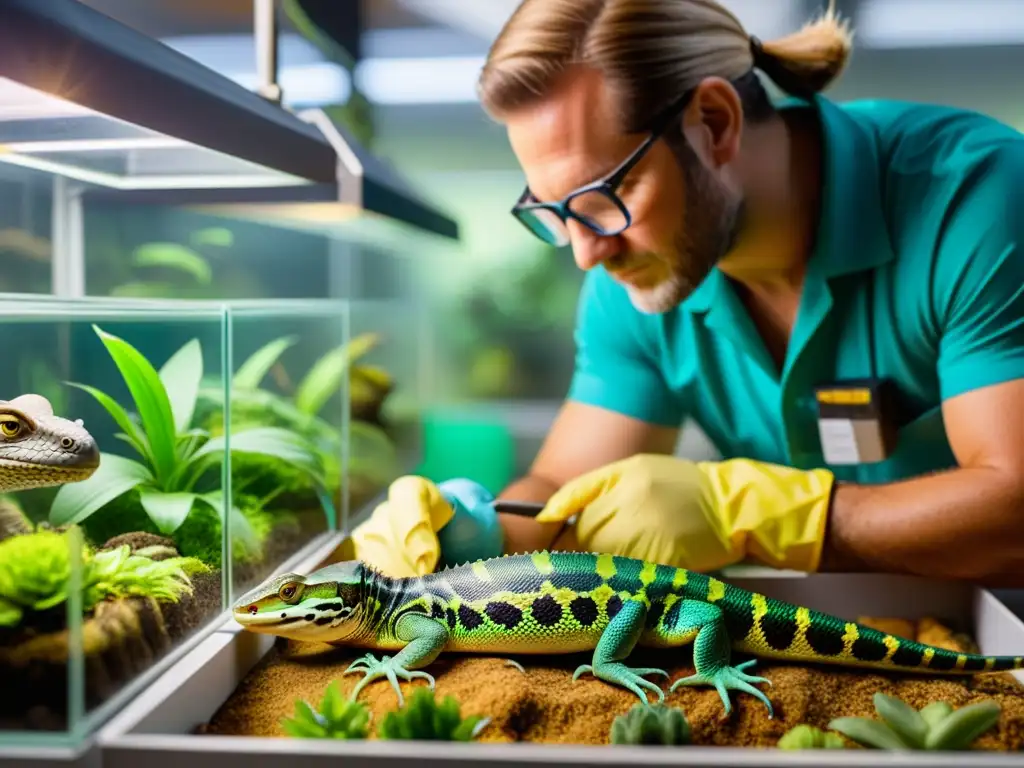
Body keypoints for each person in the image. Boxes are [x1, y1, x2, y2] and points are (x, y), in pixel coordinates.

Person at [352, 0, 1024, 587]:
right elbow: (559, 496)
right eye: (553, 211)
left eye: (603, 198)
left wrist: (760, 516)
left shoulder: (977, 198)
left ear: (715, 122)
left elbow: (1015, 508)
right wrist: (469, 533)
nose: (587, 250)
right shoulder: (634, 273)